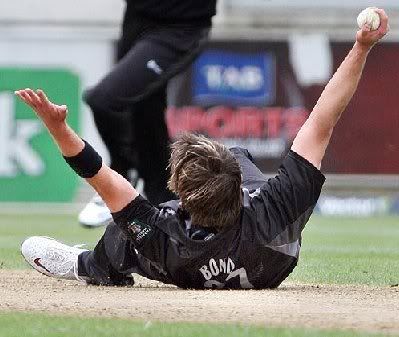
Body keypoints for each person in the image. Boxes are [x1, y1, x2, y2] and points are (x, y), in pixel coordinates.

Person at [19, 9, 389, 289]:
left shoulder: (163, 237)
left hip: (182, 263)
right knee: (238, 154)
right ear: (241, 189)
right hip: (269, 259)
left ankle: (89, 265)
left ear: (181, 202)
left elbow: (98, 173)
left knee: (126, 231)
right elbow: (322, 120)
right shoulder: (273, 207)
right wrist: (361, 47)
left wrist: (58, 127)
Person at [79, 0, 217, 227]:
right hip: (137, 20)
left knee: (104, 100)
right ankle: (172, 221)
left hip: (180, 28)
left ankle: (120, 177)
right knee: (145, 112)